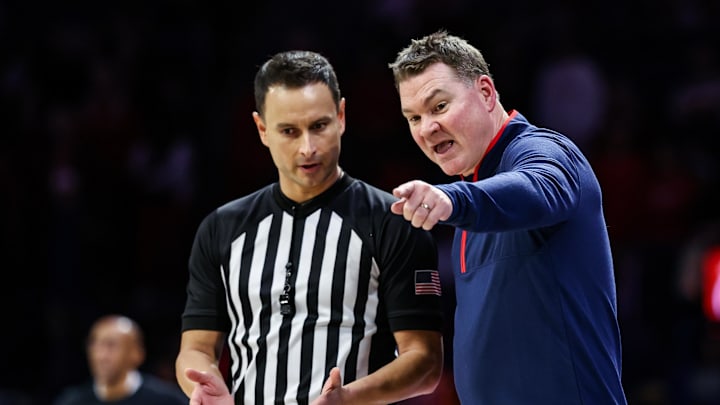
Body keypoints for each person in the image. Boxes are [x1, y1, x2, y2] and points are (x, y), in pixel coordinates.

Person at [175, 50, 444, 405]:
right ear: (261, 129)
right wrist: (206, 385)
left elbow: (425, 363)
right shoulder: (222, 228)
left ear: (341, 117)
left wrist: (347, 398)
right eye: (289, 131)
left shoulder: (393, 222)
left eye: (319, 126)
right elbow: (195, 348)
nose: (308, 148)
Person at [387, 30, 628, 404]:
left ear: (485, 92)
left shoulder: (545, 151)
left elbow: (539, 186)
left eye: (438, 107)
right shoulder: (471, 198)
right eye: (413, 117)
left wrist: (452, 200)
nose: (426, 128)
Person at [53, 315, 187, 405]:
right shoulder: (71, 401)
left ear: (137, 354)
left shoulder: (168, 401)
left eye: (111, 345)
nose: (101, 356)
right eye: (94, 344)